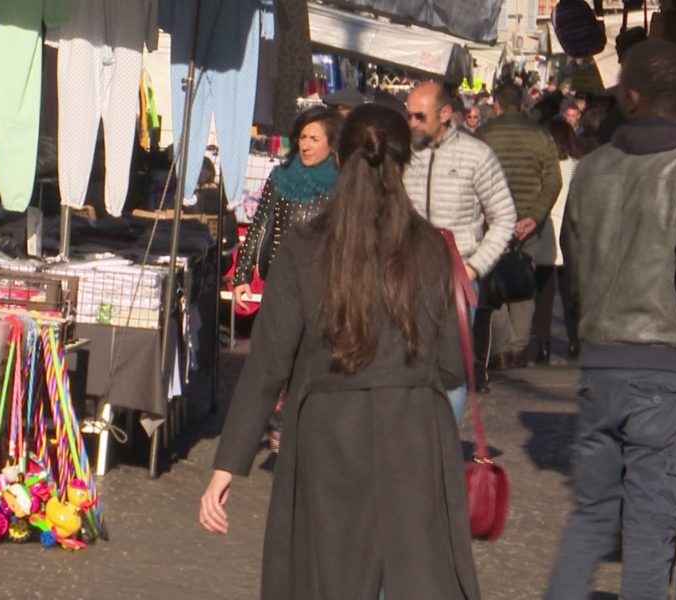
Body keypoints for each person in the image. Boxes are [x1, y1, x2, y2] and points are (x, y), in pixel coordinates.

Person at [200, 104, 482, 600]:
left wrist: (228, 464)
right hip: (414, 429)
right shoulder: (433, 248)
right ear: (404, 164)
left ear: (342, 156)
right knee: (417, 579)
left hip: (329, 430)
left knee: (326, 578)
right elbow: (452, 366)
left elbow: (268, 363)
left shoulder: (307, 247)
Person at [545, 39, 676, 599]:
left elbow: (573, 260)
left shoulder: (593, 169)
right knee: (650, 530)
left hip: (602, 362)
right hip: (666, 368)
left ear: (630, 96)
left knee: (589, 519)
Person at [402, 81, 517, 418]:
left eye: (420, 116)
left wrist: (475, 266)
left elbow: (505, 216)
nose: (412, 124)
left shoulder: (476, 155)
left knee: (451, 369)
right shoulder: (404, 155)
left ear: (445, 114)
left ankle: (444, 448)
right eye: (408, 116)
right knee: (408, 366)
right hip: (408, 277)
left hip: (457, 279)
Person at [477, 81, 562, 370]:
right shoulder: (541, 136)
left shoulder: (484, 135)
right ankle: (519, 348)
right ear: (522, 105)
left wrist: (489, 215)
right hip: (529, 220)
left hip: (492, 220)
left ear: (497, 105)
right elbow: (553, 180)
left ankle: (499, 349)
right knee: (524, 283)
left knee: (495, 284)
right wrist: (534, 217)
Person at [232, 106, 342, 310]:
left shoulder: (343, 184)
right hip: (280, 277)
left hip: (324, 284)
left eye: (314, 139)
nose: (306, 145)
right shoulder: (280, 177)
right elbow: (259, 225)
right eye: (303, 137)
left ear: (332, 144)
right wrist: (242, 275)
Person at [531, 119, 580, 365]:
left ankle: (543, 344)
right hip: (570, 234)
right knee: (571, 294)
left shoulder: (543, 168)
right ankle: (573, 341)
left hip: (545, 234)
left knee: (544, 297)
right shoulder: (577, 167)